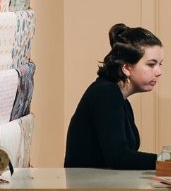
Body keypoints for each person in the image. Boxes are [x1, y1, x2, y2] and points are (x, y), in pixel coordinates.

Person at [64, 23, 164, 169]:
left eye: (160, 64)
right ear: (127, 68)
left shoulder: (119, 98)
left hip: (102, 186)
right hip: (87, 190)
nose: (158, 72)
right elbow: (119, 158)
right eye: (151, 64)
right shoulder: (106, 94)